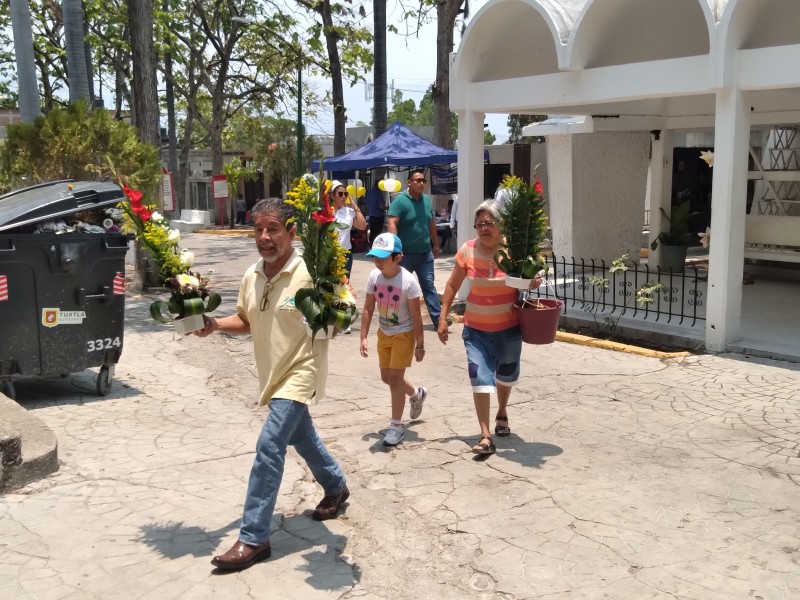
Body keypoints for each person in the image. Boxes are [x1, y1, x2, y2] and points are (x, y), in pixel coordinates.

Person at [196, 197, 349, 571]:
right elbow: (246, 320)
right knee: (302, 437)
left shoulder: (312, 271)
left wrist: (339, 312)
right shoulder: (252, 275)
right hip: (271, 374)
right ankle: (336, 486)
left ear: (292, 233)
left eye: (273, 229)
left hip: (302, 371)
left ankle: (254, 537)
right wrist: (214, 324)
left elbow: (342, 310)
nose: (265, 237)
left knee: (269, 445)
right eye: (259, 230)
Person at [436, 200, 541, 455]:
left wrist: (533, 280)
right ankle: (485, 436)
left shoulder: (512, 250)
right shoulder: (467, 250)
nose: (484, 228)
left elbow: (530, 276)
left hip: (509, 327)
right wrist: (442, 317)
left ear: (500, 225)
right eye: (479, 224)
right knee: (480, 378)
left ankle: (502, 412)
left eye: (489, 223)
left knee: (506, 376)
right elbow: (451, 286)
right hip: (476, 330)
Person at [359, 233, 427, 447]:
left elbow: (417, 316)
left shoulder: (408, 281)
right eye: (375, 257)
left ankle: (396, 426)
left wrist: (420, 344)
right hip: (384, 333)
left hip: (403, 335)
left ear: (398, 258)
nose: (378, 262)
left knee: (395, 381)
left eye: (383, 258)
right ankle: (416, 394)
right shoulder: (374, 277)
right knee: (387, 378)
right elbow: (369, 307)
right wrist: (363, 336)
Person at [387, 168, 443, 329]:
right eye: (418, 180)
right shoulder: (400, 201)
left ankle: (438, 320)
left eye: (423, 181)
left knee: (428, 285)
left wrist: (436, 244)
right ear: (409, 182)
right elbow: (391, 223)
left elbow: (431, 222)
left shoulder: (426, 200)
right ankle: (393, 318)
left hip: (425, 253)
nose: (421, 183)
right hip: (405, 255)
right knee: (400, 287)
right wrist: (396, 248)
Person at [330, 180, 367, 281]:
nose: (343, 197)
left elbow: (362, 226)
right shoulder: (327, 212)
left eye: (345, 194)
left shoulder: (349, 212)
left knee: (344, 285)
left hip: (345, 253)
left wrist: (354, 206)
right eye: (340, 194)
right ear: (332, 196)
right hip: (329, 253)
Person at [365, 180, 386, 248]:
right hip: (379, 215)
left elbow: (367, 203)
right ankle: (376, 246)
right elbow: (381, 206)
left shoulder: (369, 192)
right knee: (378, 233)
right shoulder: (379, 193)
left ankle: (371, 246)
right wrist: (386, 208)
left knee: (372, 232)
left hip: (372, 215)